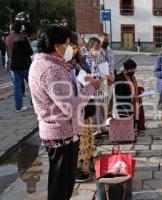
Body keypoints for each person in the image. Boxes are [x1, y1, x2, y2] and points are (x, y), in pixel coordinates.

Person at [29, 25, 101, 200]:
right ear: (57, 46)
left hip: (60, 131)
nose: (71, 48)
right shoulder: (51, 70)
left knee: (60, 182)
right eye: (68, 43)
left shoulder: (46, 64)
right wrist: (91, 88)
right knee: (61, 185)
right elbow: (70, 107)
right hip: (62, 134)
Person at [69, 32, 96, 183]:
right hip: (78, 107)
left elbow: (85, 75)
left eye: (79, 47)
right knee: (80, 143)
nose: (78, 49)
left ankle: (88, 165)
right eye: (76, 46)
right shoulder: (66, 65)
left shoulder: (79, 61)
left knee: (87, 138)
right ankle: (80, 170)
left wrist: (90, 79)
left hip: (86, 105)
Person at [6, 21, 33, 111]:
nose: (23, 27)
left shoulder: (8, 38)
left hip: (13, 65)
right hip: (24, 65)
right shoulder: (22, 38)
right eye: (22, 26)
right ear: (20, 28)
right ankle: (34, 101)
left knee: (17, 86)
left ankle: (18, 106)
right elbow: (30, 51)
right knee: (32, 84)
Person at [115, 58, 145, 130]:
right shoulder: (119, 78)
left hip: (133, 102)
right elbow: (120, 94)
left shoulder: (131, 76)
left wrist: (139, 89)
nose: (133, 71)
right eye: (132, 70)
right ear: (126, 69)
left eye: (134, 70)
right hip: (124, 104)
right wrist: (132, 96)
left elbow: (133, 87)